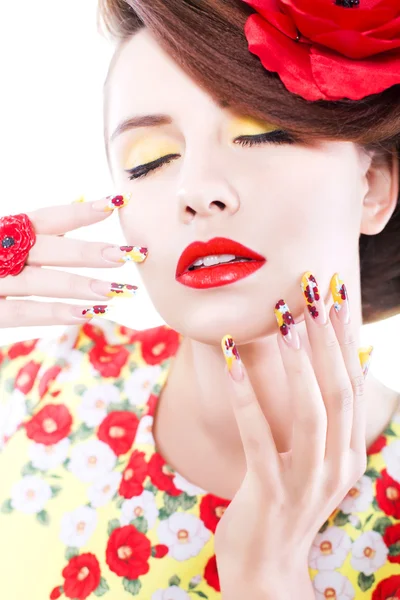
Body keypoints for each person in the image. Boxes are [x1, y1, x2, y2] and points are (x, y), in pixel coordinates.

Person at [0, 0, 400, 598]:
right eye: (149, 161)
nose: (196, 189)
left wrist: (267, 578)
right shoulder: (28, 390)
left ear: (372, 186)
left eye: (260, 133)